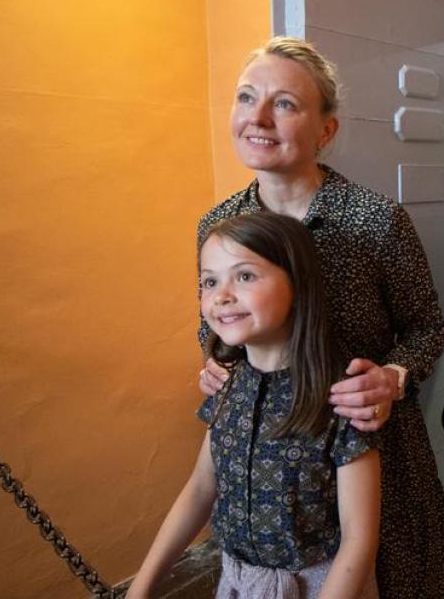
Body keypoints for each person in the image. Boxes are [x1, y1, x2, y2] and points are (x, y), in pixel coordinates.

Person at [196, 37, 444, 597]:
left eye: (285, 104)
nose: (258, 117)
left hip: (368, 450)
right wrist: (214, 365)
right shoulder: (219, 225)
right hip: (277, 470)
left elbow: (427, 328)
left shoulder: (375, 221)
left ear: (326, 130)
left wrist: (394, 377)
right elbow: (214, 329)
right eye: (246, 98)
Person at [130, 212, 380, 598]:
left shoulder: (343, 397)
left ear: (297, 285)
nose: (222, 295)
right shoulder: (228, 386)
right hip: (239, 583)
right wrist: (141, 587)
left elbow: (359, 541)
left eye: (244, 276)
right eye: (209, 281)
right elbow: (200, 489)